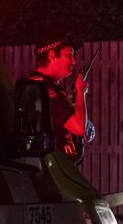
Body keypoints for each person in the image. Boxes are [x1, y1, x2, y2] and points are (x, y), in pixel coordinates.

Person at [29, 34, 89, 163]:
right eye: (69, 56)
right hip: (52, 170)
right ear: (52, 56)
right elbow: (78, 127)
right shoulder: (45, 91)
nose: (74, 61)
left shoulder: (44, 87)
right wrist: (80, 92)